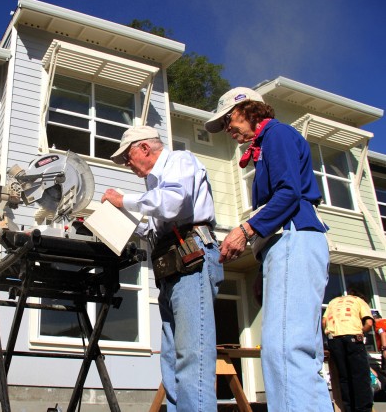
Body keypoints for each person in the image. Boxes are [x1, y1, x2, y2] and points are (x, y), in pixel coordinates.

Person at [205, 87, 332, 411]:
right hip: (286, 245)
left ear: (250, 110)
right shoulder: (265, 146)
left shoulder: (277, 135)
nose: (227, 129)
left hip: (294, 238)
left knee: (285, 349)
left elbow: (288, 194)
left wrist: (245, 231)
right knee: (297, 350)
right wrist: (263, 263)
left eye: (228, 119)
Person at [101, 125, 223, 412]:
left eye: (127, 157)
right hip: (170, 262)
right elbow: (153, 228)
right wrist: (117, 217)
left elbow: (171, 203)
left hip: (191, 256)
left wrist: (123, 200)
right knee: (170, 356)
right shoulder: (154, 184)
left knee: (193, 353)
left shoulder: (179, 161)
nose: (127, 164)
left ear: (144, 148)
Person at [322, 290, 374, 412]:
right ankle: (362, 409)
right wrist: (361, 331)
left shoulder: (332, 302)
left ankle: (348, 408)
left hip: (334, 340)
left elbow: (324, 322)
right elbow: (369, 323)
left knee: (344, 377)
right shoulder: (359, 301)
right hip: (353, 337)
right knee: (360, 376)